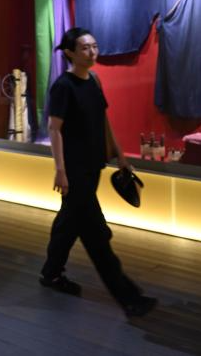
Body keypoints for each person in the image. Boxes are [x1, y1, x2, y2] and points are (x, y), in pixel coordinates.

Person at [39, 27, 157, 318]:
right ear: (70, 53)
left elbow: (103, 120)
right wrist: (60, 170)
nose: (92, 52)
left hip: (93, 166)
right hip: (74, 171)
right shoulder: (63, 86)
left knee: (68, 223)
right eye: (85, 48)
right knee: (96, 237)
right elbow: (54, 129)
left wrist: (120, 156)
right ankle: (129, 298)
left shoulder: (94, 80)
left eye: (94, 46)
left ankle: (51, 273)